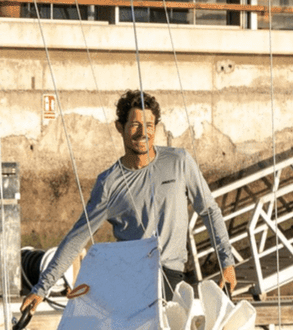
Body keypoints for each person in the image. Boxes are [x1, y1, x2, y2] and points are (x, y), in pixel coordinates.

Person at [21, 90, 237, 316]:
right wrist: (41, 289)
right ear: (119, 127)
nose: (144, 133)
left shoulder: (179, 162)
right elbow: (77, 238)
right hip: (130, 281)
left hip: (170, 276)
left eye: (150, 125)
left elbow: (210, 211)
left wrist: (227, 263)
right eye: (135, 125)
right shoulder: (109, 184)